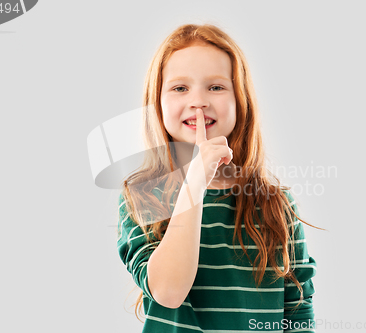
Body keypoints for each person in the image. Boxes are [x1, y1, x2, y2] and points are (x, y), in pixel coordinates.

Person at [117, 23, 319, 332]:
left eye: (216, 87)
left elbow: (297, 312)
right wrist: (195, 180)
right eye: (180, 88)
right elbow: (168, 292)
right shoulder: (145, 194)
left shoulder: (276, 204)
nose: (198, 101)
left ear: (240, 101)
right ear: (157, 103)